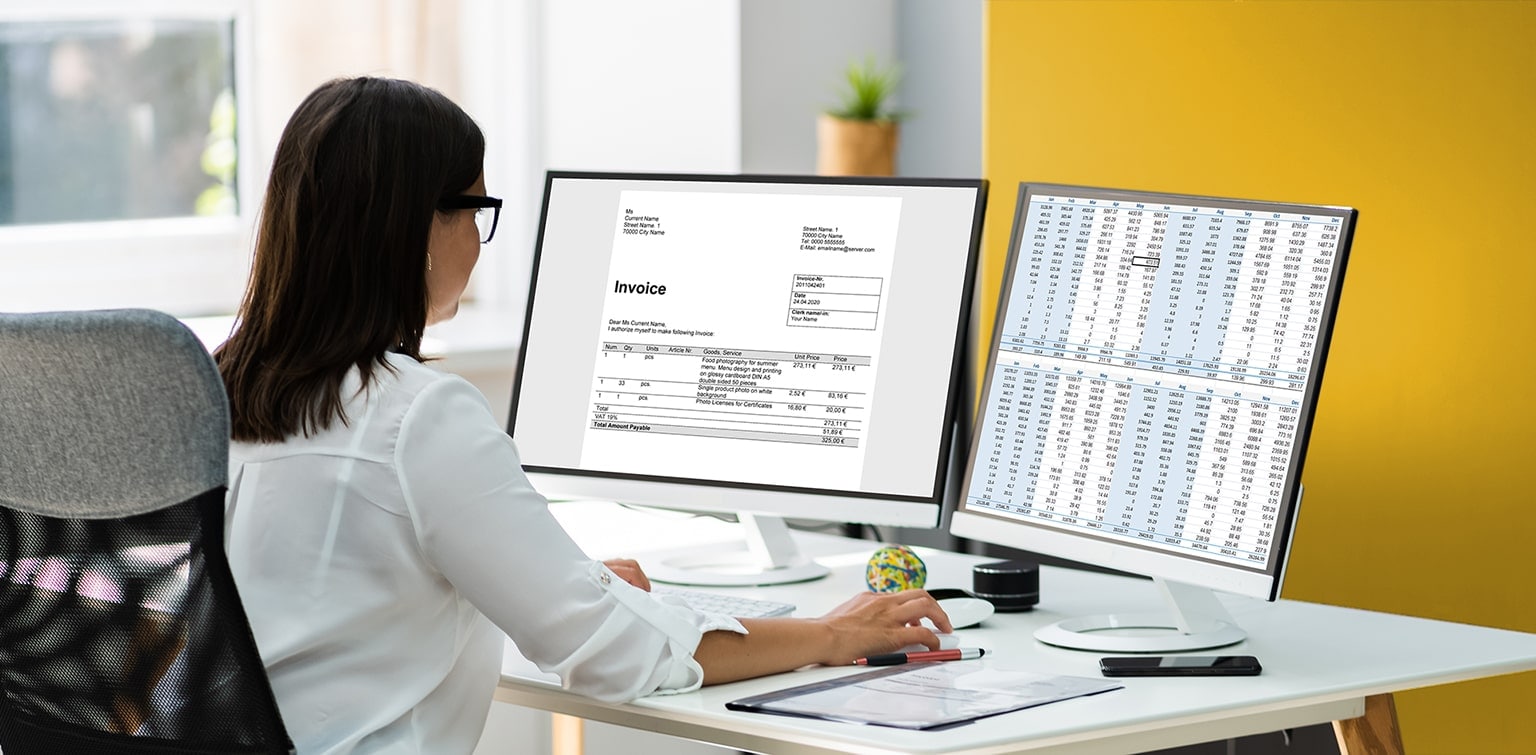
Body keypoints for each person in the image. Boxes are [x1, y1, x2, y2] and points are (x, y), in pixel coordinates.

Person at [213, 76, 951, 754]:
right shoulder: (418, 416)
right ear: (415, 226)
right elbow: (613, 655)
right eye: (476, 208)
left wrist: (556, 578)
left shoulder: (217, 391)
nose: (477, 237)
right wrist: (827, 633)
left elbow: (337, 594)